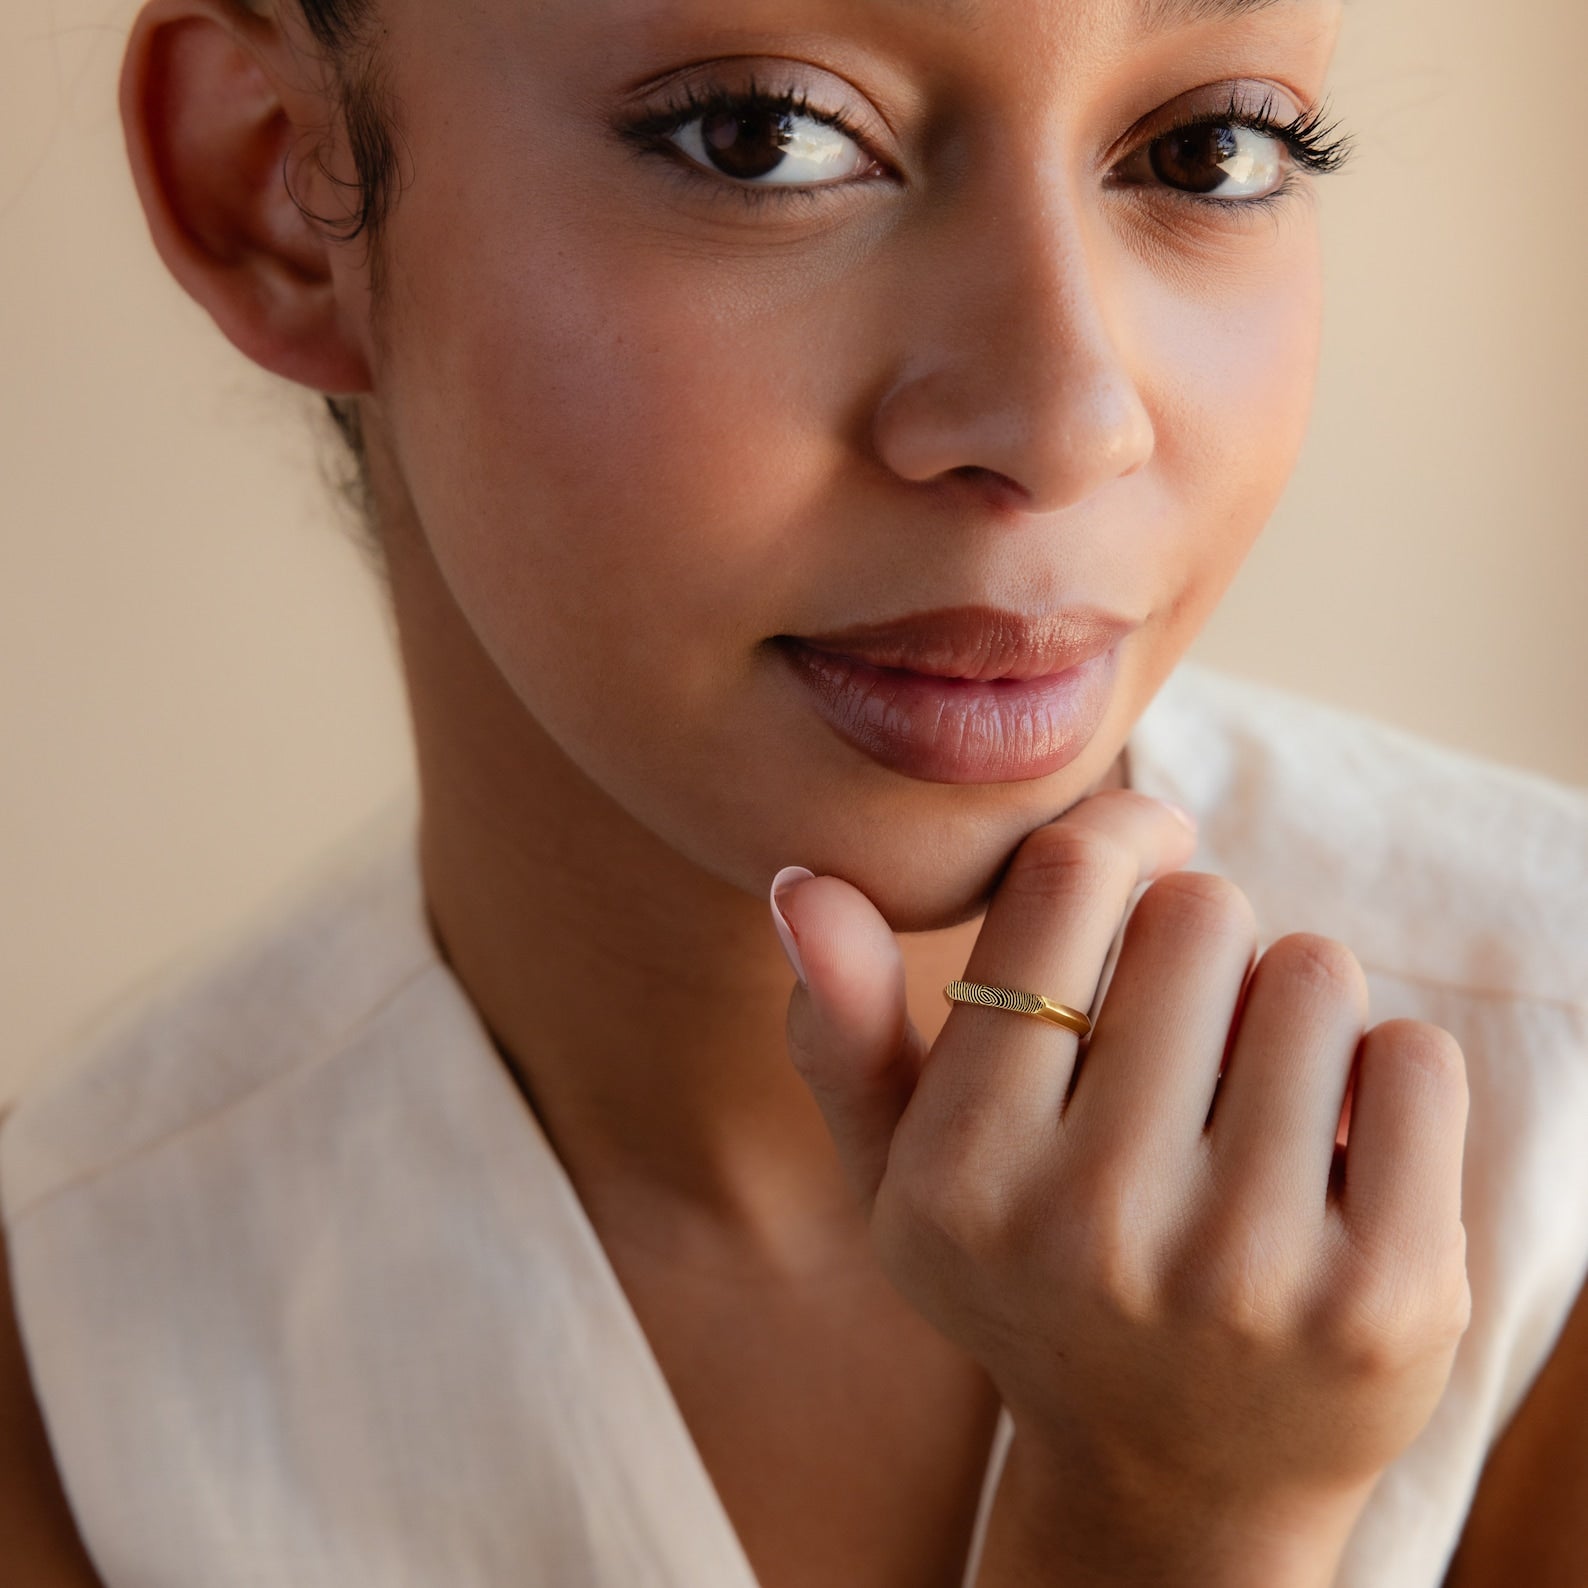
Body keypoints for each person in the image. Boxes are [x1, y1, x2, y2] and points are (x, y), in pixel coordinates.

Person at [2, 0, 1585, 1583]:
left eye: (1210, 148)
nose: (1064, 420)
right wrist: (1173, 1518)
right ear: (277, 187)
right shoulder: (73, 1369)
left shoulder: (1556, 1115)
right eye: (764, 137)